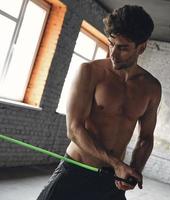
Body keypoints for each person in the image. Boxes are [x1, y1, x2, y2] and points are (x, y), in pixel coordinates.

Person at [37, 4, 161, 200]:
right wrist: (117, 163)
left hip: (111, 179)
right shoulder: (89, 72)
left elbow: (146, 137)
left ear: (142, 47)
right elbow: (74, 128)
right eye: (111, 43)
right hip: (75, 171)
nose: (113, 53)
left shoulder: (152, 88)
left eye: (122, 48)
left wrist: (134, 169)